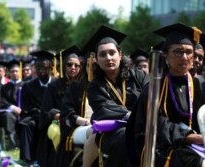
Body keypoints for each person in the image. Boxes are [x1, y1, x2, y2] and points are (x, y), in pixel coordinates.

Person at [134, 23, 205, 167]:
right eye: (178, 51)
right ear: (166, 54)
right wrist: (192, 138)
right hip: (163, 146)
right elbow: (158, 124)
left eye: (189, 52)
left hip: (197, 142)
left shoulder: (199, 84)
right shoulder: (154, 87)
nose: (185, 57)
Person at [85, 25, 149, 167]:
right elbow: (103, 110)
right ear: (96, 59)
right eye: (102, 54)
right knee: (124, 136)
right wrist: (131, 116)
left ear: (120, 55)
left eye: (112, 52)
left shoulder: (138, 75)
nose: (108, 58)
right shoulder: (94, 87)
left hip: (142, 126)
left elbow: (149, 99)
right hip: (112, 132)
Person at [40, 45, 81, 167]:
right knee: (57, 133)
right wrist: (62, 117)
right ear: (63, 66)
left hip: (78, 122)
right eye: (69, 65)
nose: (73, 68)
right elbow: (47, 110)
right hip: (58, 122)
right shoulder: (54, 86)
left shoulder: (84, 86)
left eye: (76, 65)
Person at [18, 50, 54, 166]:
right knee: (27, 125)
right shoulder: (28, 86)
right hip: (35, 117)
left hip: (53, 118)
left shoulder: (57, 85)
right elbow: (26, 107)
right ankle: (29, 158)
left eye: (44, 67)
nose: (41, 71)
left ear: (51, 68)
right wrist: (40, 114)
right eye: (38, 68)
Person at [0, 59, 24, 149]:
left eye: (16, 71)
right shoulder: (5, 87)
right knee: (7, 116)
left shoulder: (26, 85)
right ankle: (13, 143)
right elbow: (2, 100)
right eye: (12, 71)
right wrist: (12, 107)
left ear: (20, 72)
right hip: (10, 112)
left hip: (24, 111)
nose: (14, 73)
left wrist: (22, 109)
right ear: (9, 73)